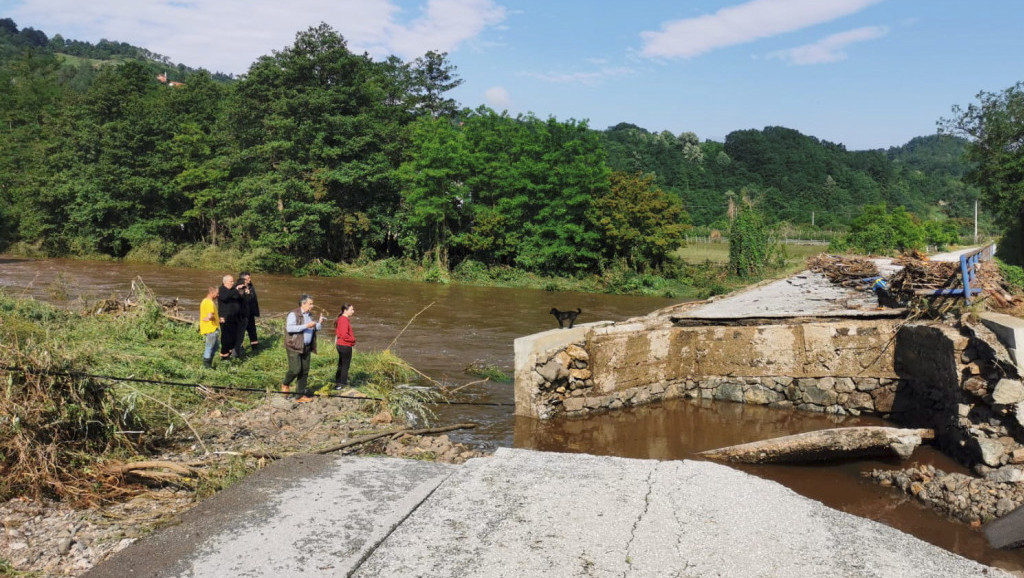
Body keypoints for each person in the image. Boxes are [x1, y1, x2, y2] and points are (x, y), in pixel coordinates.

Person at [282, 294, 323, 403]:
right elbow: (289, 328)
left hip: (307, 347)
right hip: (294, 346)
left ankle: (299, 396)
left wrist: (319, 323)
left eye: (312, 304)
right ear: (303, 304)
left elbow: (314, 328)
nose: (312, 306)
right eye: (310, 304)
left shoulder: (309, 315)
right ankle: (285, 383)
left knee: (304, 371)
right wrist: (306, 326)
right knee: (295, 369)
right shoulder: (293, 314)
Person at [217, 274, 241, 361]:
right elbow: (225, 297)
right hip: (225, 318)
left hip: (234, 318)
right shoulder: (222, 289)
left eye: (233, 281)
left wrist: (242, 291)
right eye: (231, 281)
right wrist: (236, 290)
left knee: (233, 337)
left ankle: (229, 354)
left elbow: (239, 298)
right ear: (225, 282)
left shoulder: (232, 290)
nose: (233, 283)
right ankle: (224, 357)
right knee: (226, 338)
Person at [334, 303, 356, 390]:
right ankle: (342, 384)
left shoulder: (342, 319)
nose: (353, 311)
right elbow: (344, 335)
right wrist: (353, 340)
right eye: (351, 310)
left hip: (341, 345)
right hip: (344, 345)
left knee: (341, 364)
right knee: (345, 366)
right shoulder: (343, 320)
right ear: (345, 311)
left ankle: (338, 383)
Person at [239, 272, 261, 350]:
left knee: (252, 330)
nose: (250, 279)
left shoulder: (251, 286)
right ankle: (239, 348)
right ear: (243, 279)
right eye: (248, 278)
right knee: (241, 331)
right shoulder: (239, 288)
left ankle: (255, 347)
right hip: (242, 314)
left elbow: (254, 299)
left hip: (251, 312)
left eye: (250, 278)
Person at [199, 286, 220, 369]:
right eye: (217, 294)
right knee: (209, 347)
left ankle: (208, 362)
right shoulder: (209, 303)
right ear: (212, 293)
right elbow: (210, 315)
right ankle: (207, 366)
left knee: (215, 346)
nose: (218, 295)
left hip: (210, 328)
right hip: (211, 329)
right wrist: (211, 318)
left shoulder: (204, 301)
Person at [233, 273, 252, 359]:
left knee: (240, 337)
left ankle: (237, 352)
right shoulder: (233, 292)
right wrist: (237, 290)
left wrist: (248, 294)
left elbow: (247, 303)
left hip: (244, 317)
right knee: (236, 337)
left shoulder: (245, 293)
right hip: (237, 318)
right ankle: (235, 355)